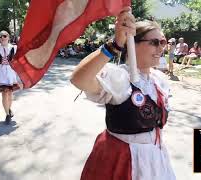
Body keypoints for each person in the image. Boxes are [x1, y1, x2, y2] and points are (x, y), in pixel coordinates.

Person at [71, 7, 175, 180]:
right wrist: (115, 45)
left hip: (155, 159)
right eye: (154, 42)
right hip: (122, 160)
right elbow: (79, 79)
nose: (161, 48)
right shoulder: (120, 77)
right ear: (132, 43)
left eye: (163, 42)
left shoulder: (159, 80)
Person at [0, 30, 20, 124]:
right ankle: (7, 114)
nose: (2, 38)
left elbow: (18, 60)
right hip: (0, 72)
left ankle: (9, 108)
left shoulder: (14, 47)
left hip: (10, 72)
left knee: (10, 93)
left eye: (4, 36)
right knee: (4, 93)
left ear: (8, 37)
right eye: (0, 37)